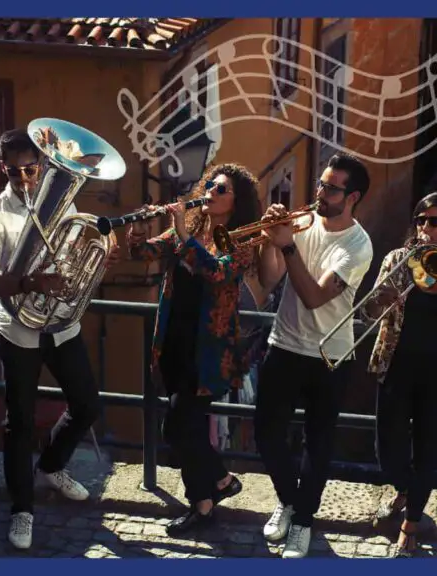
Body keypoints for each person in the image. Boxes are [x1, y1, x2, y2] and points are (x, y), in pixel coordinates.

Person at [0, 128, 119, 550]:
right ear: (3, 168)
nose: (25, 178)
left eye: (31, 169)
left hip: (60, 324)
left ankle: (53, 465)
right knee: (18, 423)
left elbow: (78, 245)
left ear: (41, 165)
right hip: (18, 329)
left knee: (87, 404)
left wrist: (103, 251)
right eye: (15, 171)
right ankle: (22, 509)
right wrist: (30, 281)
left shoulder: (62, 200)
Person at [125, 163, 262, 535]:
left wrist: (183, 234)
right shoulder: (193, 227)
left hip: (208, 350)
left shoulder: (244, 239)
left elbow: (218, 272)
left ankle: (207, 497)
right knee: (186, 429)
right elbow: (144, 255)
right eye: (211, 186)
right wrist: (138, 229)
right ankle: (213, 489)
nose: (212, 193)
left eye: (222, 190)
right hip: (173, 342)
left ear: (236, 202)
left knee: (178, 425)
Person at [253, 153, 374, 558]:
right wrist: (272, 239)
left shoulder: (358, 247)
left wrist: (288, 247)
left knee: (317, 444)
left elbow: (314, 297)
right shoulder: (304, 224)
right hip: (284, 344)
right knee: (266, 434)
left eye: (332, 187)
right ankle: (290, 502)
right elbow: (270, 279)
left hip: (329, 355)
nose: (321, 192)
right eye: (321, 184)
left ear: (352, 196)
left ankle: (302, 523)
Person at [366, 191, 437, 557]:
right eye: (420, 220)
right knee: (388, 446)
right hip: (396, 364)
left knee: (429, 445)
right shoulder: (397, 260)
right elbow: (370, 309)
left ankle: (411, 523)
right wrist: (394, 287)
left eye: (433, 221)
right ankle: (403, 487)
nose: (425, 227)